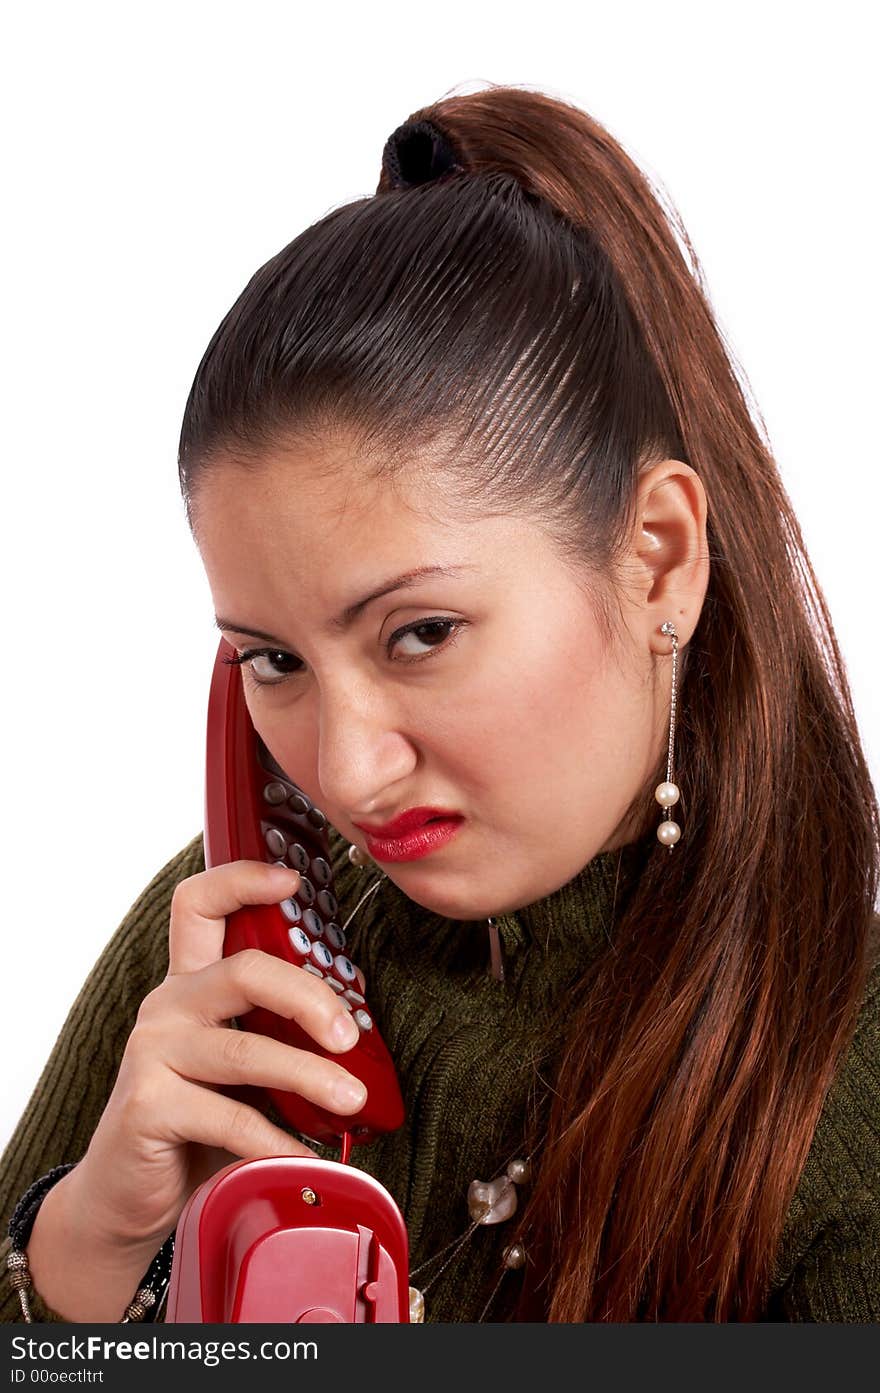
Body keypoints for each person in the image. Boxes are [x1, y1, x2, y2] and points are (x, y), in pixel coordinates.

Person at [2, 83, 878, 1325]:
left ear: (658, 558)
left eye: (418, 633)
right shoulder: (217, 955)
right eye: (272, 661)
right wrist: (88, 1250)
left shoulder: (842, 1094)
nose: (346, 773)